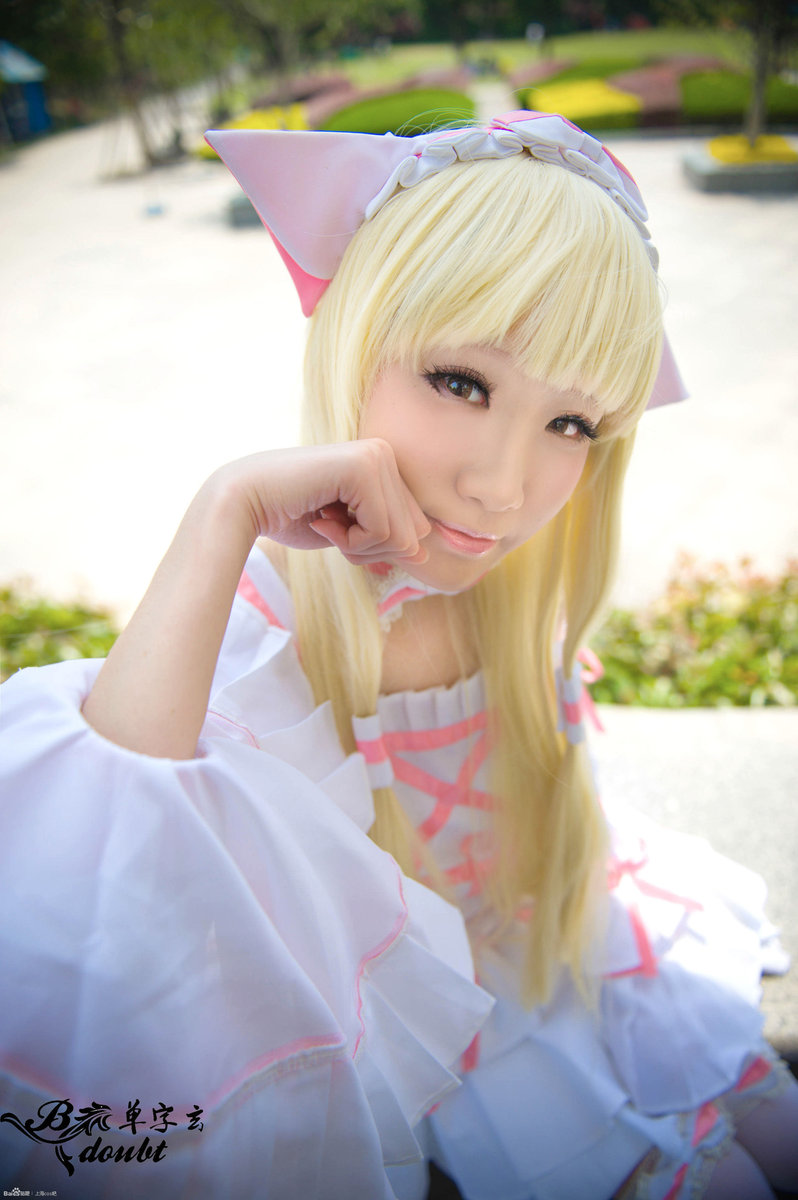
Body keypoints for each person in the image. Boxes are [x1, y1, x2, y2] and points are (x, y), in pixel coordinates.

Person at [0, 112, 796, 1200]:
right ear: (356, 335)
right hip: (423, 1037)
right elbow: (98, 869)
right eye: (462, 382)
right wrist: (225, 508)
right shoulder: (265, 630)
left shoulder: (518, 588)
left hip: (565, 946)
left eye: (571, 424)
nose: (502, 484)